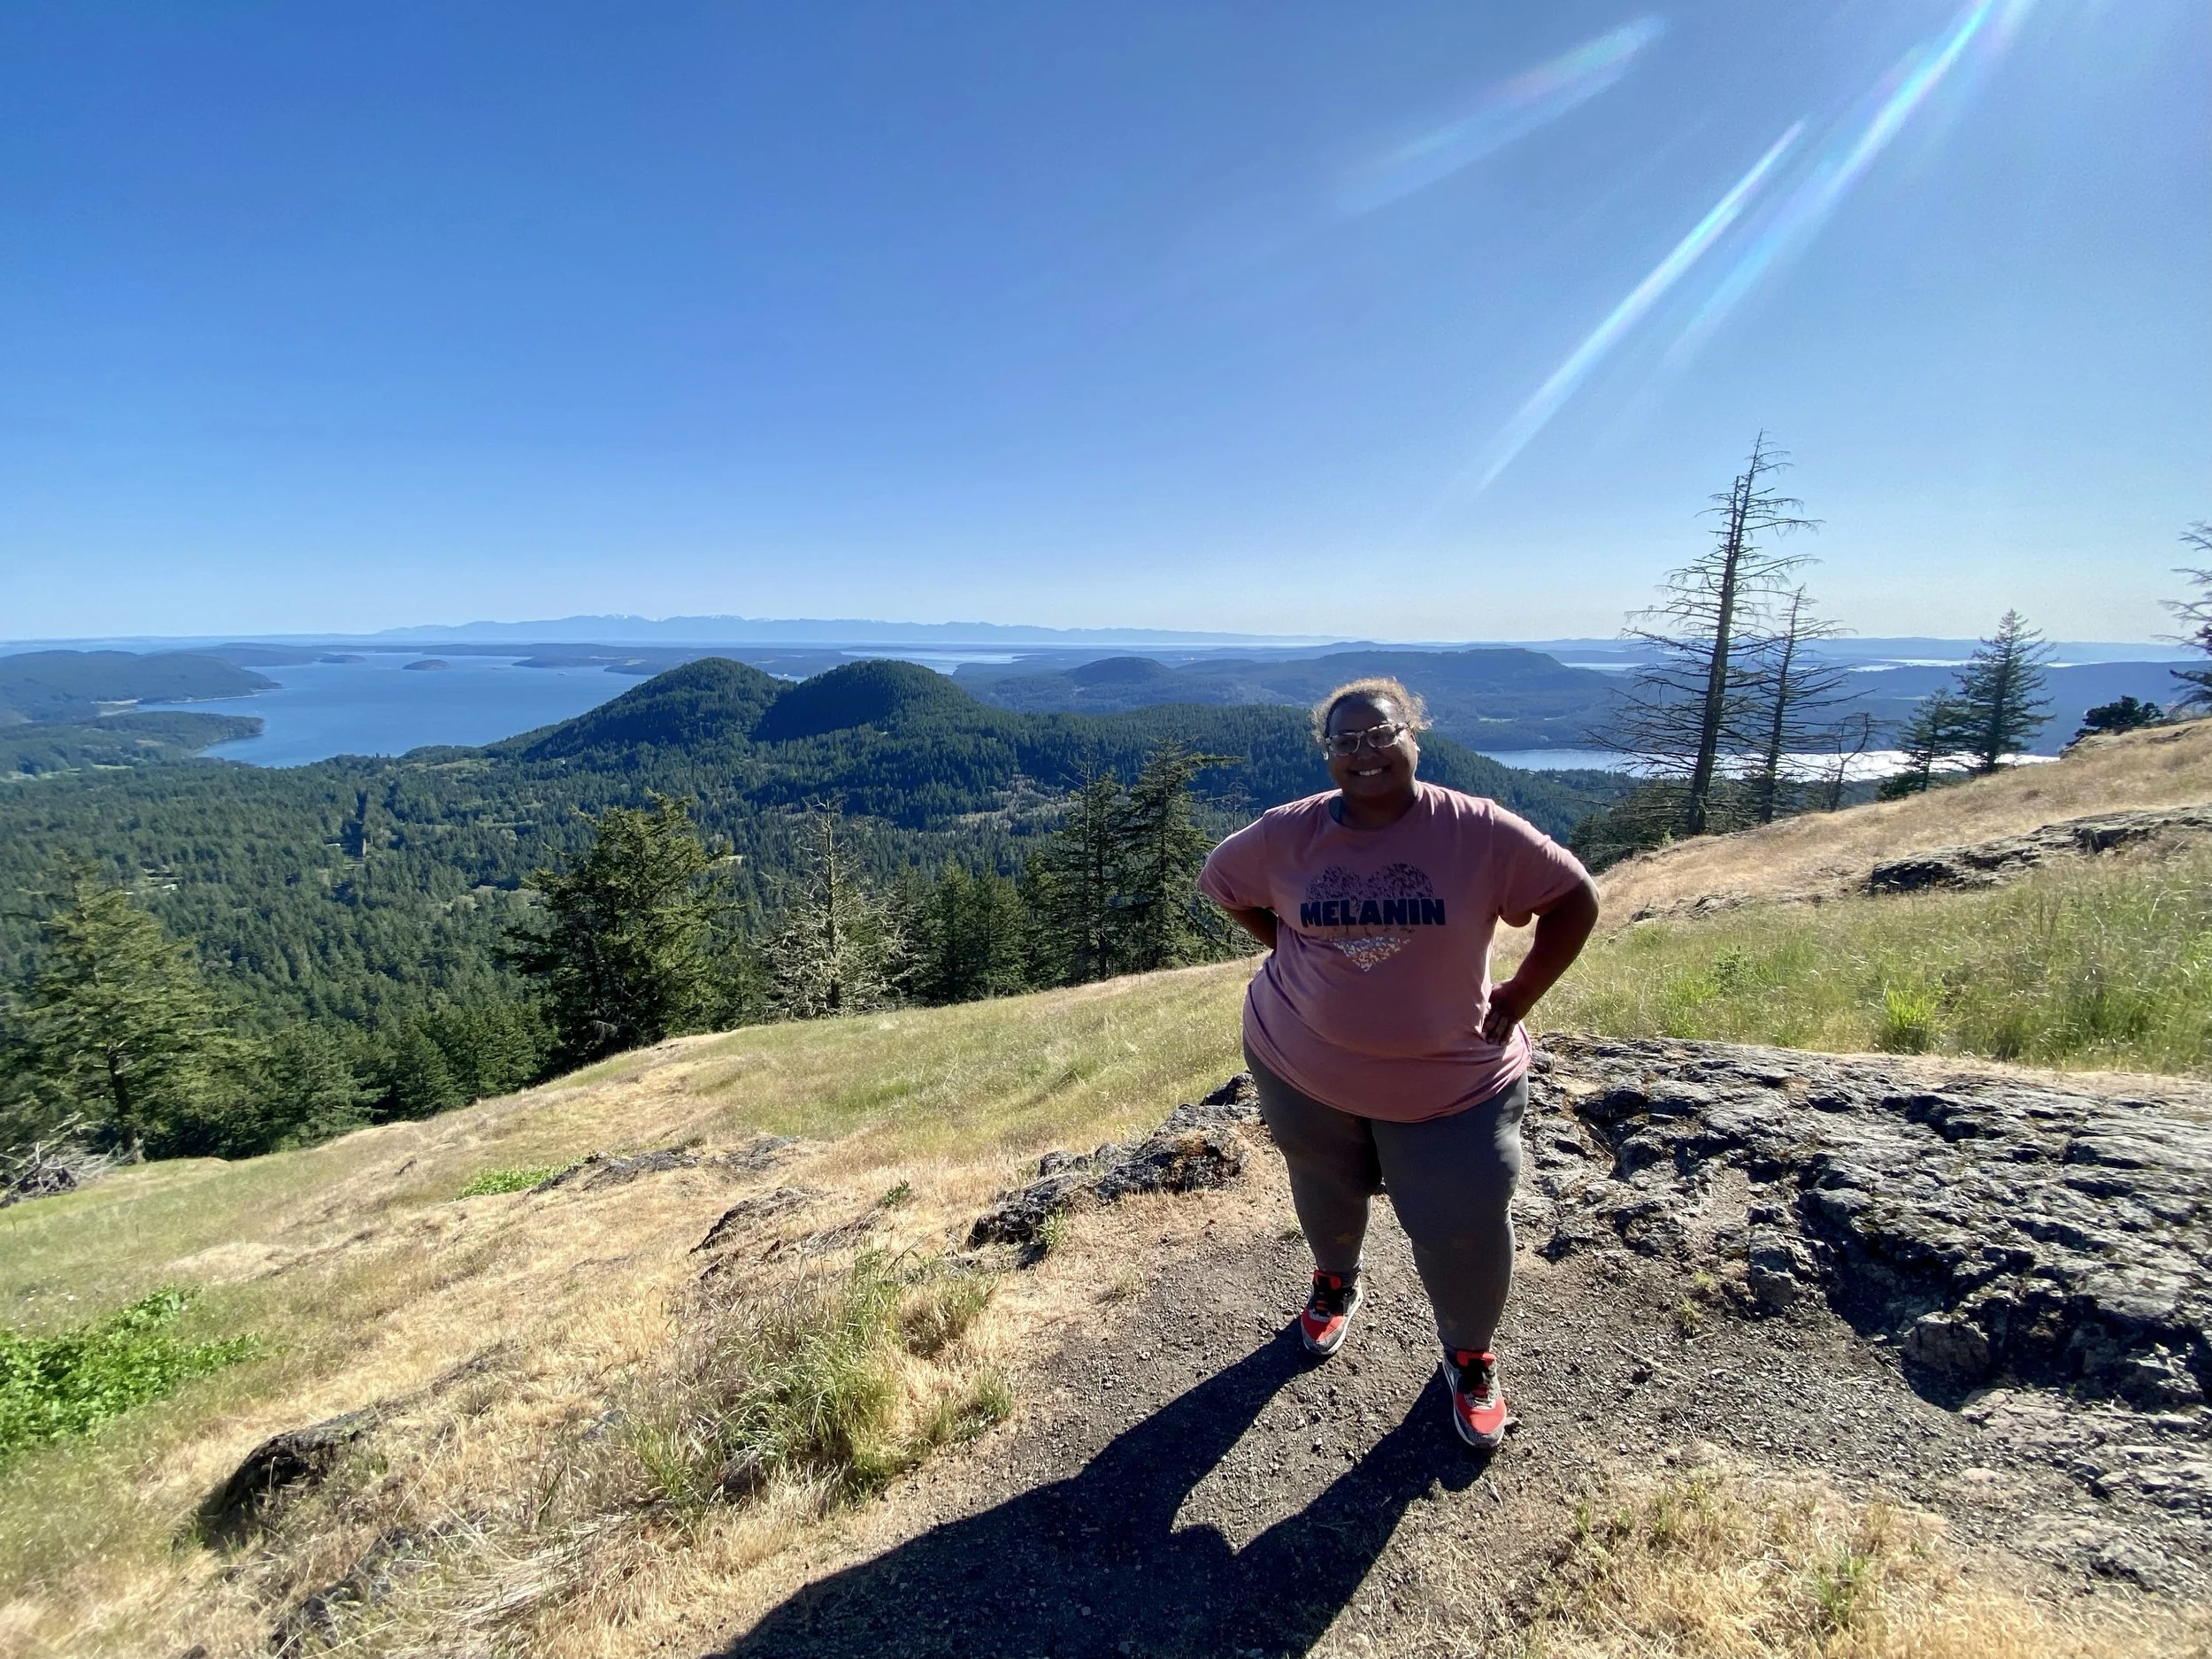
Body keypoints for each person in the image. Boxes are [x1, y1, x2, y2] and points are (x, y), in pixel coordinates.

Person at [1198, 677, 1598, 1450]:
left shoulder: (1476, 829)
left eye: (1380, 734)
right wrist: (1284, 944)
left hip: (1452, 1082)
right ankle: (1334, 1282)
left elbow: (1573, 896)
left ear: (1415, 734)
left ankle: (1469, 1356)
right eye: (1344, 742)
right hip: (1301, 1064)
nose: (1364, 753)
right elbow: (1224, 883)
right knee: (1323, 1184)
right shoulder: (1287, 835)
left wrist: (1518, 993)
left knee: (1462, 1226)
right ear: (1327, 754)